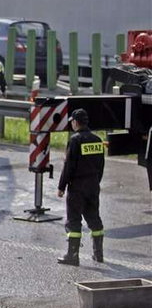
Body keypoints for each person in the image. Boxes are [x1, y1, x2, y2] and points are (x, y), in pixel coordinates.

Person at [57, 108, 106, 266]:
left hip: (77, 187)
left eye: (72, 121)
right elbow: (101, 166)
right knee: (94, 219)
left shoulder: (75, 140)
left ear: (75, 122)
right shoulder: (97, 140)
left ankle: (73, 255)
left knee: (74, 220)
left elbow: (69, 166)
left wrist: (61, 186)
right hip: (93, 185)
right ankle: (99, 254)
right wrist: (95, 182)